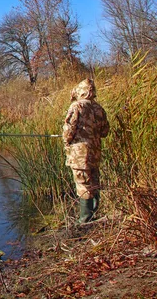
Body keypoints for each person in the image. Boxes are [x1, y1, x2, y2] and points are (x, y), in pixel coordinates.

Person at [62, 79, 109, 224]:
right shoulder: (99, 108)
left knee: (83, 183)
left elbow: (69, 130)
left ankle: (85, 219)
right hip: (95, 152)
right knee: (94, 181)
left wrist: (66, 141)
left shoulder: (76, 106)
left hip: (80, 154)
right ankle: (93, 213)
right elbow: (105, 131)